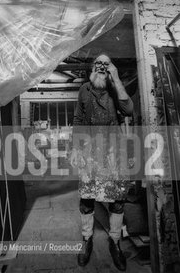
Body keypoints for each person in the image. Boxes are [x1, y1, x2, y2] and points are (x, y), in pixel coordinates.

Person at [70, 53, 133, 271]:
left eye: (106, 64)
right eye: (98, 63)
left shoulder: (115, 87)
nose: (101, 67)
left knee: (117, 199)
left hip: (113, 151)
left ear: (111, 67)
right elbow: (78, 118)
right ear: (92, 66)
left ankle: (115, 241)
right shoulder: (84, 89)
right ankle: (87, 239)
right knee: (87, 197)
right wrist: (75, 148)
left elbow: (129, 110)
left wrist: (116, 79)